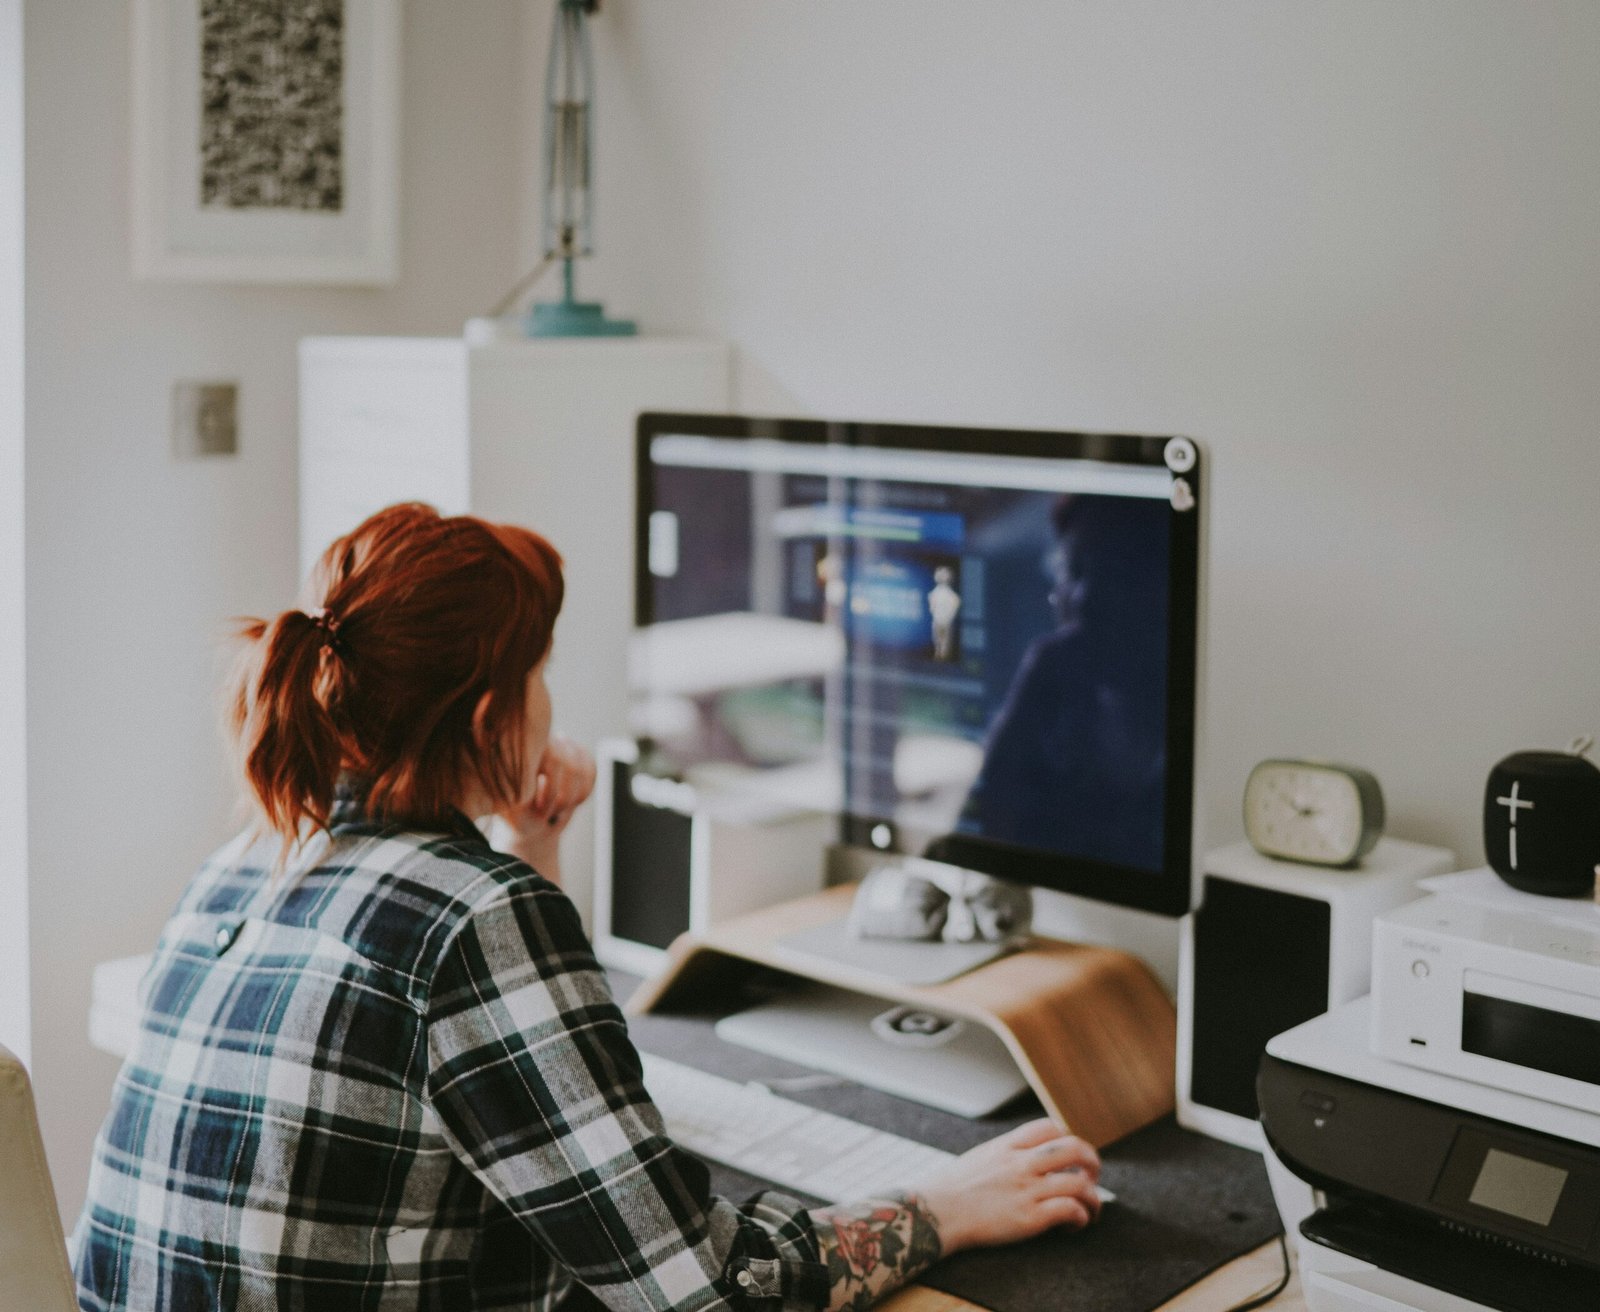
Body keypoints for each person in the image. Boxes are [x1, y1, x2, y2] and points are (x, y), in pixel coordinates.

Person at [72, 502, 1102, 1312]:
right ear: (491, 716)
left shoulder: (250, 856)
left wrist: (532, 845)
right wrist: (947, 1206)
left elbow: (514, 1084)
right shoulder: (474, 918)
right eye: (541, 675)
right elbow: (703, 1289)